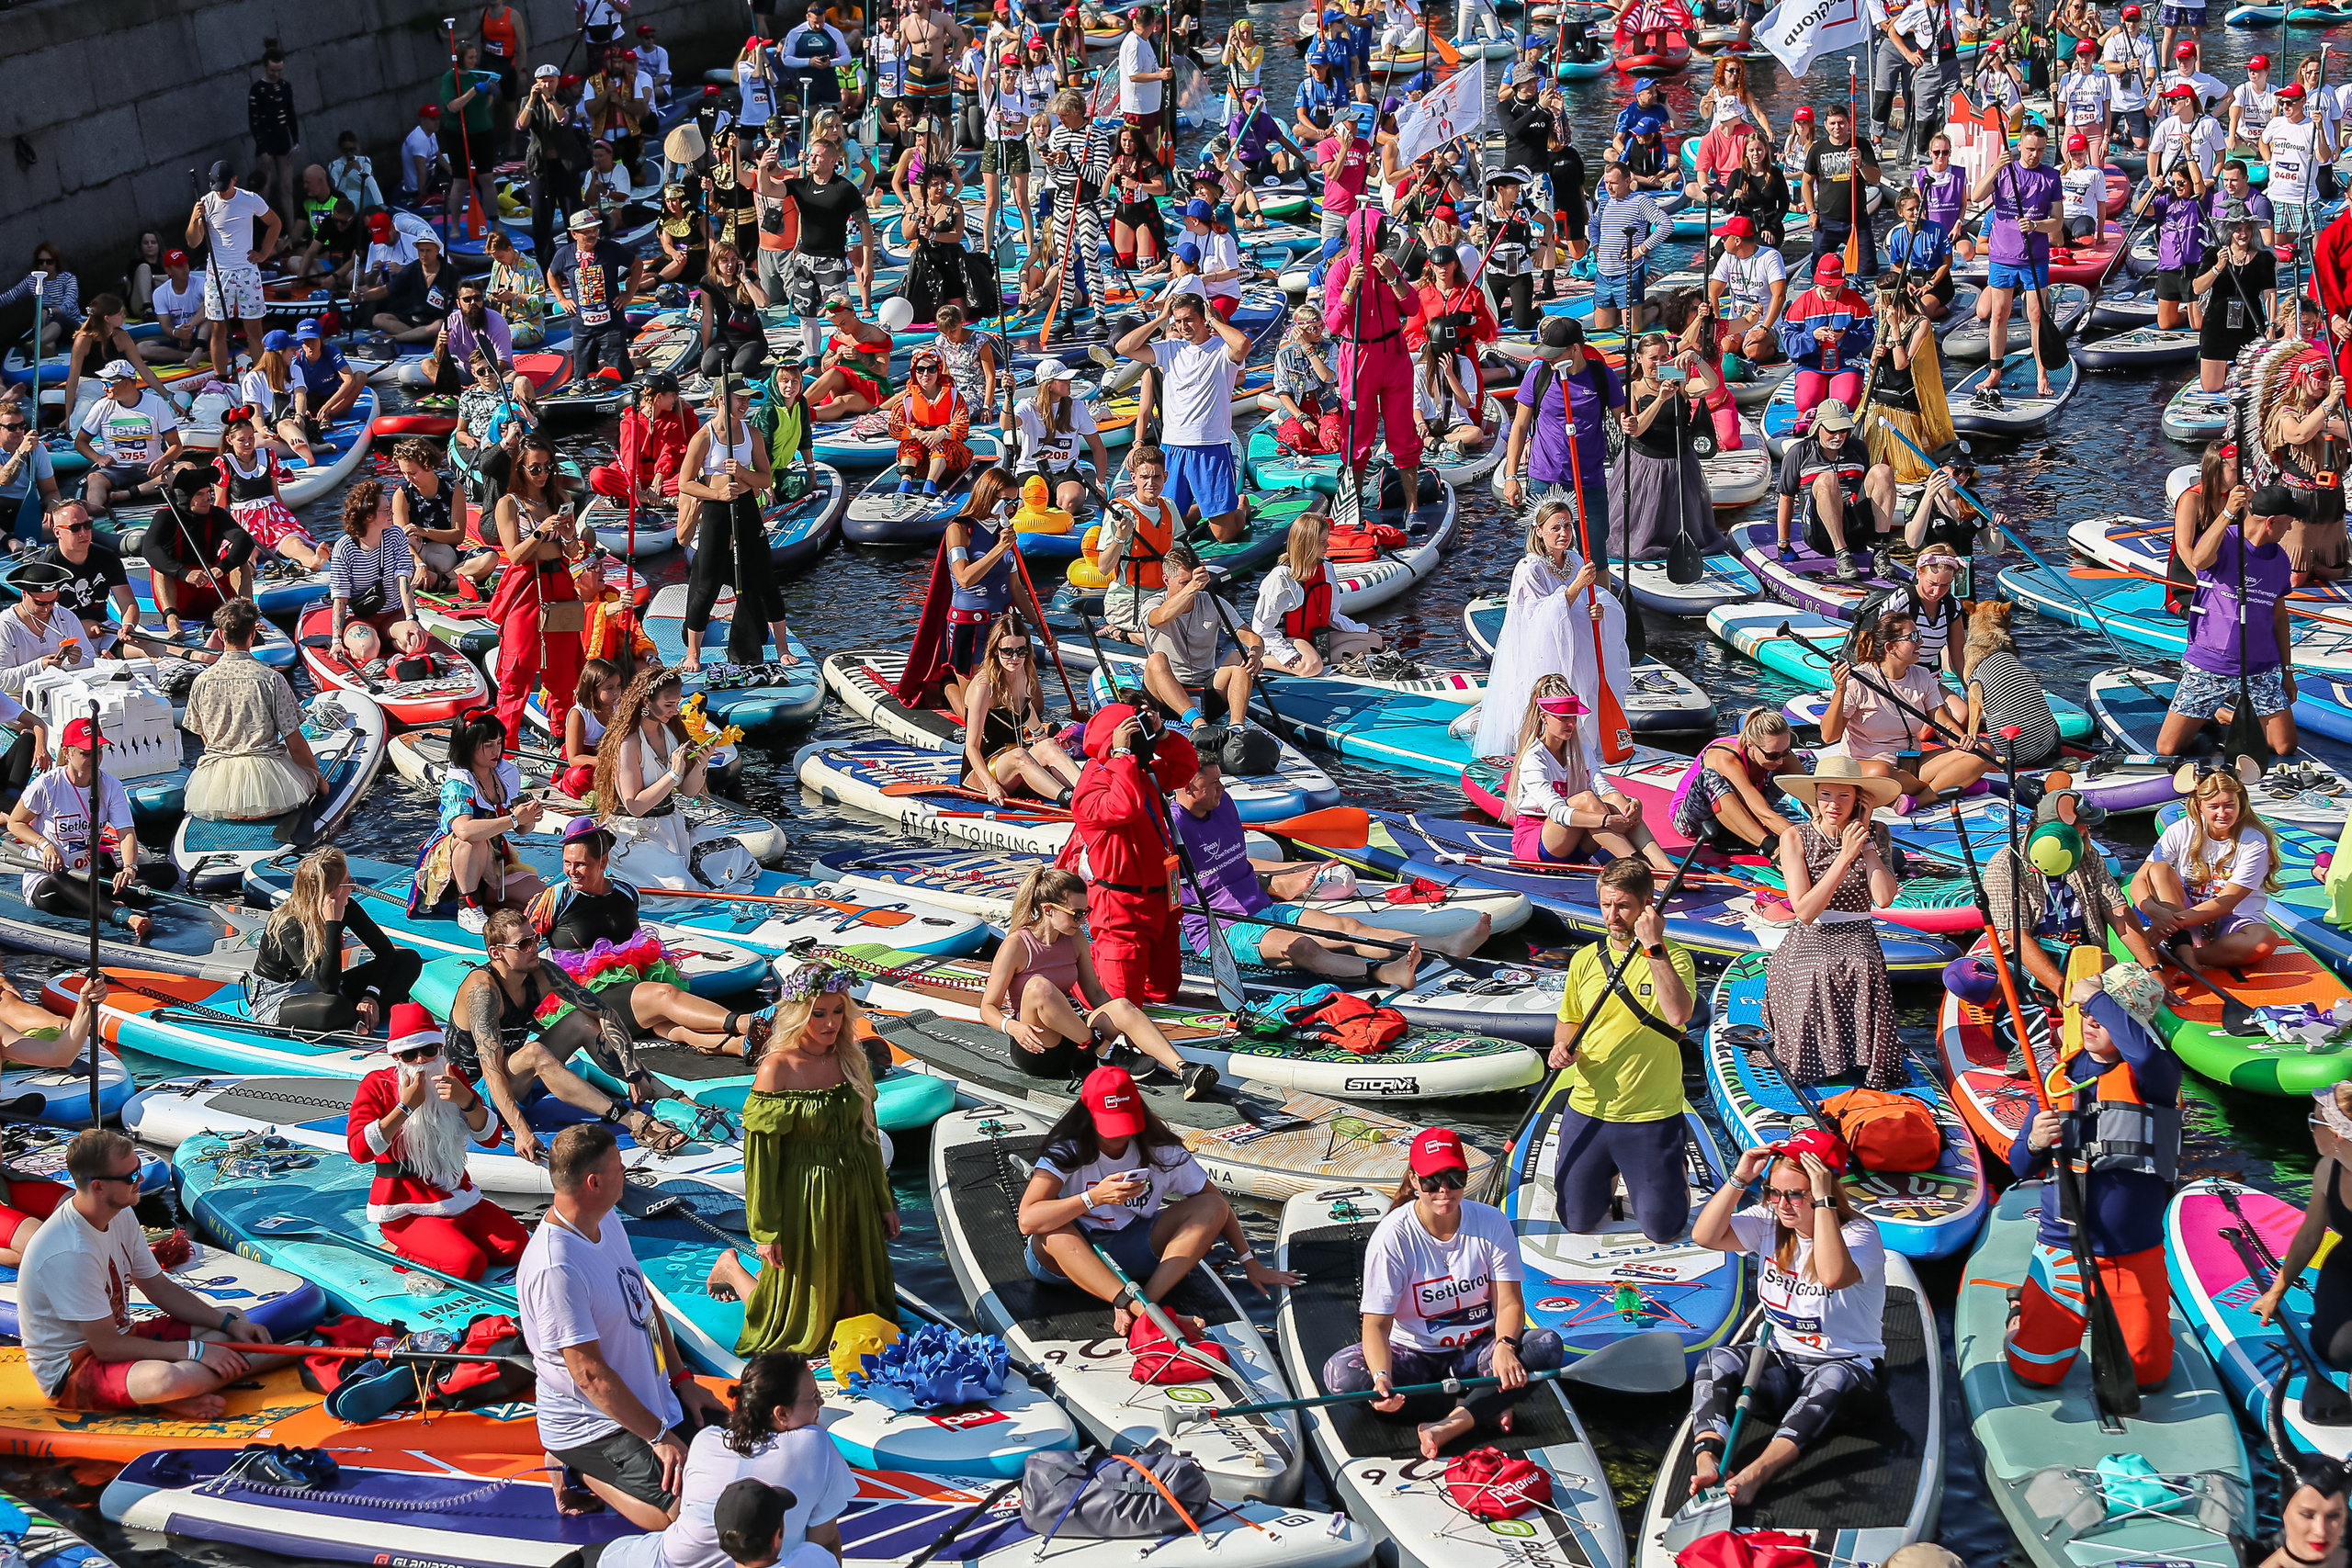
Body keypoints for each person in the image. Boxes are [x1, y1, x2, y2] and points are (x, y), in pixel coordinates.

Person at [518, 1123, 727, 1530]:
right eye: (619, 1166)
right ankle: (578, 1468)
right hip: (594, 1423)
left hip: (651, 1399)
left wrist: (682, 1379)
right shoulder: (555, 1267)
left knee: (739, 1452)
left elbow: (643, 1302)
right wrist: (658, 1438)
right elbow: (589, 1374)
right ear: (594, 1182)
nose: (627, 1172)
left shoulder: (606, 1219)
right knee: (679, 1515)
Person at [1319, 1126, 1560, 1459]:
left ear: (1465, 1177)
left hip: (1477, 1351)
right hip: (1414, 1355)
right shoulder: (1393, 1237)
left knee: (1545, 1345)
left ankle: (1454, 1422)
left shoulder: (1492, 1223)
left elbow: (1509, 1304)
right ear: (1415, 1181)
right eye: (1432, 1181)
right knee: (1343, 1377)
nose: (1444, 1190)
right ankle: (1483, 1404)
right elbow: (1375, 1326)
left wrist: (1505, 1346)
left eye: (1454, 1178)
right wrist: (1381, 1377)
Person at [697, 963, 896, 1358]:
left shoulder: (851, 1060)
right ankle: (732, 1270)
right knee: (800, 1325)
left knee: (859, 1311)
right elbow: (760, 1162)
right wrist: (766, 1231)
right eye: (818, 1014)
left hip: (853, 1188)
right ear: (797, 1014)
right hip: (804, 1197)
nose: (830, 1023)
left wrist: (883, 1201)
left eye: (837, 1012)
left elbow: (867, 1139)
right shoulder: (778, 1068)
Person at [19, 1128, 277, 1419]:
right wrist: (197, 1351)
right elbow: (106, 1347)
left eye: (138, 1169)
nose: (140, 1180)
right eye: (131, 1176)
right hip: (75, 1368)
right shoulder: (68, 1252)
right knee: (170, 1379)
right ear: (99, 1187)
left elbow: (159, 1288)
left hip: (122, 1335)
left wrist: (228, 1324)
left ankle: (177, 1392)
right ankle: (195, 1384)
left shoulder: (121, 1212)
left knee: (234, 1318)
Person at [1686, 1134, 1888, 1503]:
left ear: (1823, 1190)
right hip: (1782, 1365)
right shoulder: (1769, 1221)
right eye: (1774, 1193)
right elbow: (1705, 1236)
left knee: (1834, 1374)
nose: (1782, 1205)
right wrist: (1740, 1178)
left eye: (1795, 1194)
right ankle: (1707, 1457)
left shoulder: (1860, 1234)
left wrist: (1825, 1200)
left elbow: (1831, 1275)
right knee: (1717, 1359)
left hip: (1847, 1371)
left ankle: (1756, 1474)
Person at [2006, 964, 2179, 1391]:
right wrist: (2033, 1143)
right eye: (2087, 1014)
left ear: (2134, 1022)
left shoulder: (2157, 1074)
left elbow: (2144, 1055)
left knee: (2149, 1376)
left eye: (2105, 1014)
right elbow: (2017, 1168)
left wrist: (2095, 994)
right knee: (2034, 1373)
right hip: (2062, 1246)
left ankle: (2134, 1323)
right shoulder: (2057, 1079)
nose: (2092, 1021)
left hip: (2131, 1250)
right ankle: (2018, 1313)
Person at [1017, 1061, 1294, 1328]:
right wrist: (1094, 1198)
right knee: (1051, 1232)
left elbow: (1218, 1206)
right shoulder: (1067, 1149)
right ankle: (1143, 1310)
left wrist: (1249, 1261)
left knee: (1211, 1205)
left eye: (1125, 1126)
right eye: (1109, 1128)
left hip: (1131, 1249)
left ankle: (1145, 1301)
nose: (1119, 1138)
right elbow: (1027, 1221)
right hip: (1070, 1260)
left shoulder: (1162, 1150)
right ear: (1088, 1115)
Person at [1544, 854, 1698, 1241]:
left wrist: (1654, 946)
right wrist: (1561, 1047)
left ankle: (1668, 1170)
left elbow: (1679, 1015)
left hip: (1651, 1114)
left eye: (1623, 906)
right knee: (1577, 1221)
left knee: (1664, 1230)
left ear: (1646, 906)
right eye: (1605, 904)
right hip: (1589, 1108)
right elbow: (1569, 1019)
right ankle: (1606, 1175)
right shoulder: (1584, 960)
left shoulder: (1673, 957)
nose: (1612, 915)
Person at [582, 1354, 854, 1568]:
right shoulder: (816, 1444)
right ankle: (579, 1470)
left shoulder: (706, 1440)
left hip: (670, 1559)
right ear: (781, 1413)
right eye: (814, 1398)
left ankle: (576, 1470)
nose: (819, 1404)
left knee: (585, 1558)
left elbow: (683, 1514)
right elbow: (825, 1542)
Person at [525, 822, 772, 1055]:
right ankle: (749, 1022)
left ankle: (742, 1046)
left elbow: (636, 940)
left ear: (603, 862)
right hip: (585, 996)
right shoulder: (554, 899)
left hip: (634, 984)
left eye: (581, 864)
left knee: (671, 1026)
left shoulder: (626, 891)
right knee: (663, 996)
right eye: (567, 863)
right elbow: (523, 946)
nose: (571, 872)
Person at [345, 1001, 528, 1280]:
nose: (421, 1061)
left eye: (429, 1050)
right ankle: (404, 1251)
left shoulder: (452, 1077)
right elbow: (359, 1150)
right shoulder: (377, 1085)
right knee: (470, 1264)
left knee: (519, 1247)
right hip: (405, 1208)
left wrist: (466, 1100)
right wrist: (405, 1108)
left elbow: (490, 1138)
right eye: (409, 1054)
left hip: (459, 1196)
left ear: (440, 1049)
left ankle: (447, 1243)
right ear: (396, 1057)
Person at [979, 866, 1206, 1089]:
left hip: (1077, 1037)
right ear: (1048, 910)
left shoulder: (1074, 937)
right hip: (1039, 1047)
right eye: (1076, 914)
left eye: (1085, 912)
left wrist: (1127, 1024)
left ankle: (1185, 1070)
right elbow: (988, 1007)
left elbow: (1095, 993)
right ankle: (1105, 1051)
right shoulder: (1016, 945)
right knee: (1038, 986)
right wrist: (1012, 1027)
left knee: (1123, 1006)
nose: (1083, 921)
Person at [1763, 755, 1903, 1088]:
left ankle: (1863, 1061)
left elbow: (1883, 898)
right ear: (1815, 797)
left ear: (1858, 798)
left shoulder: (1877, 833)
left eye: (1844, 796)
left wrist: (1866, 845)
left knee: (1864, 965)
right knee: (1817, 970)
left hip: (1856, 928)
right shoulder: (1796, 837)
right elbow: (1806, 911)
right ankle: (1811, 1062)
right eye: (1826, 794)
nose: (1834, 804)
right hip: (1812, 931)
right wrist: (1844, 857)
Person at [1473, 502, 1634, 779]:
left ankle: (1585, 750)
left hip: (1579, 647)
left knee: (1586, 692)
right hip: (1545, 653)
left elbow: (1587, 600)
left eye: (1568, 526)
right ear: (1539, 531)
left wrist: (1597, 611)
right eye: (1555, 527)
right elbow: (1537, 618)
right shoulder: (1529, 569)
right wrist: (1576, 586)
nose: (1563, 532)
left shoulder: (1577, 561)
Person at [1057, 702, 1201, 1005]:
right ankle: (1076, 974)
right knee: (1120, 1006)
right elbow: (1124, 807)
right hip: (1121, 909)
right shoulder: (1091, 786)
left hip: (1163, 900)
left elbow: (1185, 768)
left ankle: (1094, 967)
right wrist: (1120, 755)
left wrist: (1162, 735)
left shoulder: (1140, 773)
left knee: (1164, 991)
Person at [4, 713, 165, 941]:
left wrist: (129, 868)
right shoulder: (47, 785)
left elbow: (126, 832)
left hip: (91, 876)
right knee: (59, 878)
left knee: (166, 872)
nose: (94, 759)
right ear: (67, 752)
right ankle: (124, 916)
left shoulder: (110, 785)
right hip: (52, 881)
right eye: (86, 754)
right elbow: (15, 822)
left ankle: (101, 904)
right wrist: (45, 844)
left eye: (98, 752)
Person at [2159, 494, 2297, 759]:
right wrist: (2227, 513)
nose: (2290, 528)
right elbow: (2199, 561)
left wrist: (2287, 672)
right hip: (2211, 664)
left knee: (2284, 746)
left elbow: (2280, 617)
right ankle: (2215, 711)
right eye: (2288, 522)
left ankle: (2226, 713)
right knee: (2168, 748)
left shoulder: (2280, 559)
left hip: (2260, 668)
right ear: (2271, 522)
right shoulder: (2225, 540)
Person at [1114, 295, 1250, 543]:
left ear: (1202, 318)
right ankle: (1203, 510)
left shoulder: (1221, 348)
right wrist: (1161, 318)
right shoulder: (1170, 349)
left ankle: (1240, 506)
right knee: (1175, 521)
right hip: (1173, 447)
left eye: (1189, 319)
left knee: (1224, 535)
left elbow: (1243, 344)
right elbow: (1124, 348)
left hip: (1211, 447)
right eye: (1178, 321)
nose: (1183, 326)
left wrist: (1213, 320)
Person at [1502, 678, 1673, 873]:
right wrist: (1605, 821)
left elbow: (1604, 787)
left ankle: (1666, 867)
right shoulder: (1533, 758)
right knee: (1587, 800)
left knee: (1616, 799)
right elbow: (1556, 812)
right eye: (1563, 718)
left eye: (1573, 717)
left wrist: (1633, 803)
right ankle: (1641, 869)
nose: (1571, 724)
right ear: (1544, 717)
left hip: (1578, 841)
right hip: (1539, 844)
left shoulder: (1582, 750)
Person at [1825, 608, 1992, 806]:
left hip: (1911, 764)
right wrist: (1840, 691)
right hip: (1870, 767)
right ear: (1891, 647)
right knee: (1882, 772)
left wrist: (1961, 741)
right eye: (1913, 637)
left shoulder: (1922, 676)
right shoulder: (1859, 680)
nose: (1920, 642)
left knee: (1984, 750)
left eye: (1919, 635)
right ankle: (1951, 784)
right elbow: (1829, 736)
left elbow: (1944, 725)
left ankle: (1921, 798)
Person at [182, 598, 323, 822]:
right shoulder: (271, 679)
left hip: (217, 792)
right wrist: (318, 780)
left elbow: (206, 739)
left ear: (220, 635)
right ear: (252, 635)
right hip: (271, 791)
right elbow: (294, 742)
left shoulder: (201, 681)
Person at [487, 434, 587, 749]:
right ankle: (504, 749)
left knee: (564, 675)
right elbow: (515, 554)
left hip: (559, 587)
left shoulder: (558, 498)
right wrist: (542, 531)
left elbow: (572, 554)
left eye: (547, 466)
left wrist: (570, 536)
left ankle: (563, 746)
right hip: (527, 590)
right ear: (520, 468)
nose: (542, 473)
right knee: (516, 671)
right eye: (535, 468)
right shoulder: (508, 503)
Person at [678, 383, 786, 671]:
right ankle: (693, 653)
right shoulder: (704, 437)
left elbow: (764, 479)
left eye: (748, 400)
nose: (745, 405)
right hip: (716, 511)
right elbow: (685, 483)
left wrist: (742, 472)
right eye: (740, 399)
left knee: (765, 577)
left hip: (747, 509)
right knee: (707, 586)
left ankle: (782, 647)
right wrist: (717, 494)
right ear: (721, 400)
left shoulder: (752, 434)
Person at [2132, 768, 2284, 969]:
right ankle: (2184, 949)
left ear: (2241, 803)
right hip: (2183, 915)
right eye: (2213, 806)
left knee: (2265, 941)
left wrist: (2168, 925)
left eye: (2229, 805)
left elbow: (2226, 903)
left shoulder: (2254, 841)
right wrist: (2154, 912)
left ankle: (2181, 956)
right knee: (2159, 869)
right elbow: (2139, 880)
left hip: (2231, 918)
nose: (2222, 813)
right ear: (2199, 805)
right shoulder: (2181, 829)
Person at [1609, 329, 1724, 564]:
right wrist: (1661, 398)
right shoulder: (1631, 389)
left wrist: (1695, 358)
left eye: (1664, 357)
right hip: (1644, 465)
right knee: (1643, 524)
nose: (1659, 363)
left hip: (1679, 462)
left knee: (1679, 520)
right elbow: (1635, 429)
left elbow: (1711, 385)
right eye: (1654, 358)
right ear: (1639, 358)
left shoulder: (1679, 382)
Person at [1971, 127, 2065, 406]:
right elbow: (1976, 196)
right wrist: (1996, 168)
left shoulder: (2051, 177)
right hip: (2002, 255)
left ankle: (2042, 373)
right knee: (1999, 314)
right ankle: (1995, 371)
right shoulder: (2004, 171)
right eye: (2030, 149)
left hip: (2034, 258)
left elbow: (2057, 221)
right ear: (2020, 147)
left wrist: (2036, 225)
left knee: (2036, 315)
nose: (2035, 155)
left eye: (2040, 150)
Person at [1502, 316, 1624, 521]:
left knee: (1593, 551)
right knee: (1540, 551)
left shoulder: (1603, 376)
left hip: (1589, 481)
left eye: (1554, 354)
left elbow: (1624, 420)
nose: (1549, 359)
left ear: (1575, 349)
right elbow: (1520, 426)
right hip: (1544, 479)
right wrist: (1511, 476)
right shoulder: (1537, 376)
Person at [960, 611, 1079, 805]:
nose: (1014, 658)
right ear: (995, 650)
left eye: (1021, 651)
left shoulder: (1022, 672)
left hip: (1015, 759)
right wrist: (991, 785)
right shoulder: (984, 685)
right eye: (1007, 651)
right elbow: (971, 747)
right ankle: (1070, 800)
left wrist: (1040, 735)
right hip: (983, 773)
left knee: (1049, 745)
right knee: (1020, 755)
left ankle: (1089, 791)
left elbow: (1026, 708)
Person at [1773, 399, 1897, 580]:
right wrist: (1783, 545)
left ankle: (1880, 550)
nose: (1839, 437)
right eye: (1832, 431)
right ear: (1818, 427)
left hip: (1857, 531)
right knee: (1827, 479)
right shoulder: (1799, 452)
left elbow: (1873, 488)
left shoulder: (1858, 448)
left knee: (1882, 471)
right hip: (1821, 534)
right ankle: (1842, 555)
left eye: (1843, 430)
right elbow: (1786, 497)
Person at [1252, 512, 1384, 678]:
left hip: (1316, 638)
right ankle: (1265, 661)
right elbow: (1262, 628)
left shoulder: (1326, 569)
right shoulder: (1280, 578)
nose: (1328, 546)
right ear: (1307, 544)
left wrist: (1360, 629)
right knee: (1311, 667)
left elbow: (1332, 615)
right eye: (1322, 542)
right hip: (1289, 640)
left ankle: (1315, 659)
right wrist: (1286, 654)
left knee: (1374, 640)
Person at [187, 161, 281, 378]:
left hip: (246, 271)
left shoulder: (250, 199)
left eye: (224, 185)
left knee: (254, 331)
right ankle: (221, 379)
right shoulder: (206, 203)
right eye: (216, 186)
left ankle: (260, 377)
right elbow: (193, 242)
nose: (220, 191)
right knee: (218, 330)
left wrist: (264, 253)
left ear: (234, 180)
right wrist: (195, 218)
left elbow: (275, 223)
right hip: (218, 273)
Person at [1669, 705, 1806, 852]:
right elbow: (1761, 811)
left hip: (1741, 816)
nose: (1780, 761)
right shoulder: (1725, 757)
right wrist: (1803, 840)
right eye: (1772, 756)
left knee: (1806, 759)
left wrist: (1825, 830)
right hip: (1695, 823)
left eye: (1786, 751)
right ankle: (1769, 848)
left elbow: (1808, 791)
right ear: (1750, 745)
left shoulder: (1777, 751)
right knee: (1708, 776)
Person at [1864, 282, 1959, 486]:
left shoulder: (1920, 323)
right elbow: (1874, 369)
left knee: (1909, 470)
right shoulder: (1883, 322)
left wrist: (1895, 329)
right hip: (1878, 399)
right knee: (1874, 464)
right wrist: (1873, 358)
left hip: (1902, 402)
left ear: (1891, 299)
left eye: (1880, 298)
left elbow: (1901, 364)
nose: (1876, 303)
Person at [215, 410, 325, 573]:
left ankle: (313, 560)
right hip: (245, 519)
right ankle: (248, 570)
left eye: (251, 438)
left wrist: (288, 518)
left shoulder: (268, 455)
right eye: (242, 440)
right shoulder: (223, 463)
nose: (248, 443)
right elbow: (220, 504)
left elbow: (275, 494)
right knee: (248, 549)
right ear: (229, 440)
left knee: (293, 542)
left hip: (274, 515)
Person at [144, 471, 254, 636]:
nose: (207, 498)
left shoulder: (217, 514)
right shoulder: (166, 515)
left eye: (209, 492)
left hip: (213, 585)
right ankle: (172, 621)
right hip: (180, 594)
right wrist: (185, 574)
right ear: (186, 497)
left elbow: (244, 541)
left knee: (241, 562)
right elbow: (149, 549)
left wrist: (222, 568)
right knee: (159, 567)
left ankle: (247, 616)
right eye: (200, 494)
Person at [74, 362, 182, 519]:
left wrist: (163, 461)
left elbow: (177, 446)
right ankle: (94, 511)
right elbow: (80, 442)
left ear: (125, 382)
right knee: (94, 478)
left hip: (150, 470)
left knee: (187, 469)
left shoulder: (155, 403)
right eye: (102, 383)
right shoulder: (101, 406)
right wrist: (99, 458)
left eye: (107, 383)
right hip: (116, 470)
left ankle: (127, 494)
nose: (104, 388)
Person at [548, 211, 642, 389]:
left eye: (594, 230)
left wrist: (628, 294)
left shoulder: (611, 249)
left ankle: (634, 362)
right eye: (586, 231)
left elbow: (637, 264)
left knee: (622, 375)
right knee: (582, 377)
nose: (592, 234)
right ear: (574, 234)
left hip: (611, 324)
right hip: (582, 327)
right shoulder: (564, 254)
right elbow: (551, 274)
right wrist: (562, 299)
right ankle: (616, 362)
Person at [327, 480, 420, 646]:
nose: (391, 513)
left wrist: (411, 618)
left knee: (415, 642)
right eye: (386, 511)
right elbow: (340, 597)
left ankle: (391, 651)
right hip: (360, 618)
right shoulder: (344, 547)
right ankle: (372, 644)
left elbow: (403, 580)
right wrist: (336, 640)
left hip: (393, 614)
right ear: (368, 516)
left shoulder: (396, 535)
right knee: (367, 649)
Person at [2195, 210, 2275, 395]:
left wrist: (2271, 325)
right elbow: (2197, 288)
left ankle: (2235, 371)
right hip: (2217, 324)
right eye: (2238, 229)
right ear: (2230, 231)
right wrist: (2218, 268)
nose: (2244, 234)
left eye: (2248, 229)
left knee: (2250, 387)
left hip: (2249, 323)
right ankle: (2223, 369)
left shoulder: (2264, 259)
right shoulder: (2213, 254)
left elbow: (2270, 295)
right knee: (2211, 386)